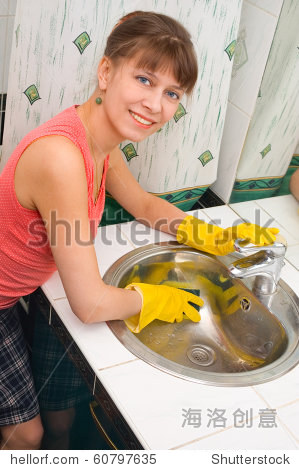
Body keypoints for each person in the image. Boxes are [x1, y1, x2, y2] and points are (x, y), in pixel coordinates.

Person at [0, 10, 279, 450]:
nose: (156, 105)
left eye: (172, 92)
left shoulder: (97, 141)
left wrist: (210, 236)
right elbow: (89, 305)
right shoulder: (62, 157)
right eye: (145, 80)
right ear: (106, 71)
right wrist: (155, 300)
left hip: (16, 292)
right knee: (25, 437)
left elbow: (144, 204)